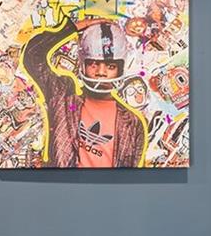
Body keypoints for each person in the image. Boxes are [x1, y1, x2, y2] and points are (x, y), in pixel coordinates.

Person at [20, 15, 146, 167]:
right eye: (93, 64)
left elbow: (130, 175)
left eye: (110, 66)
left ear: (120, 68)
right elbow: (33, 55)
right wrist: (73, 28)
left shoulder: (133, 123)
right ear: (83, 64)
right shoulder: (63, 97)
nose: (101, 72)